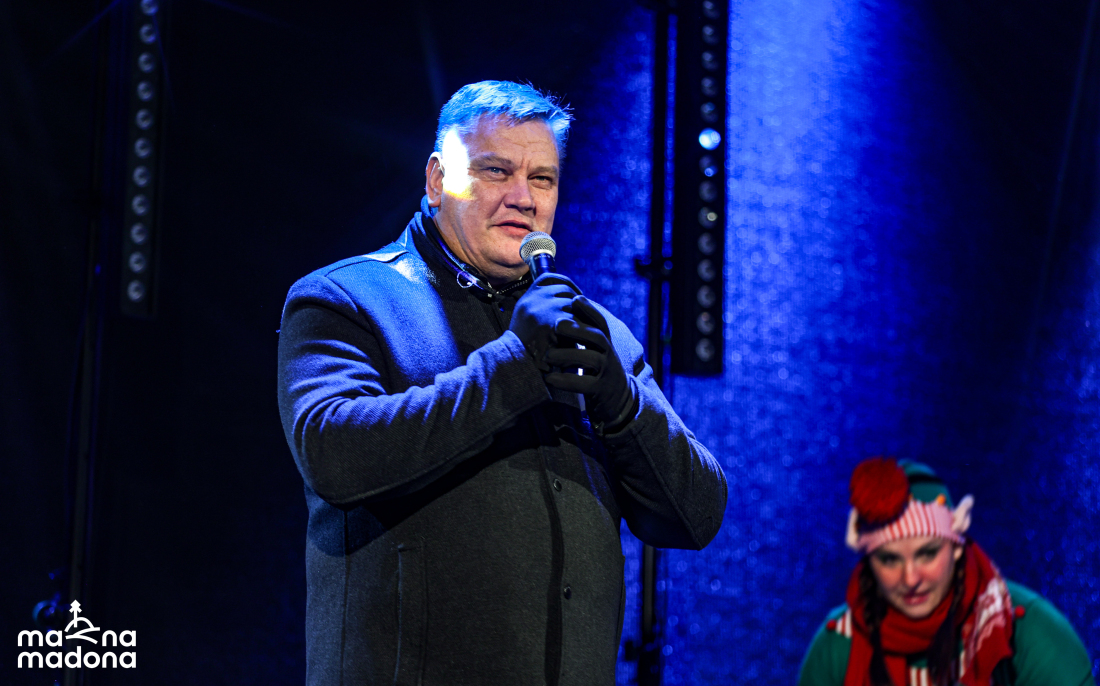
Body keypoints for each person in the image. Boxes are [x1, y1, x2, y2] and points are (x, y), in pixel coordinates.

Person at [277, 80, 727, 686]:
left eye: (542, 179)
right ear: (437, 180)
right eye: (496, 171)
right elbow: (336, 457)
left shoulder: (597, 335)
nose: (523, 198)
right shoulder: (346, 299)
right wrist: (516, 362)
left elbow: (697, 516)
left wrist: (621, 402)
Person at [798, 457, 1095, 686]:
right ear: (867, 561)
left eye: (927, 554)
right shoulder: (839, 642)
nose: (911, 579)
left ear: (956, 547)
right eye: (889, 560)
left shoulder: (1027, 633)